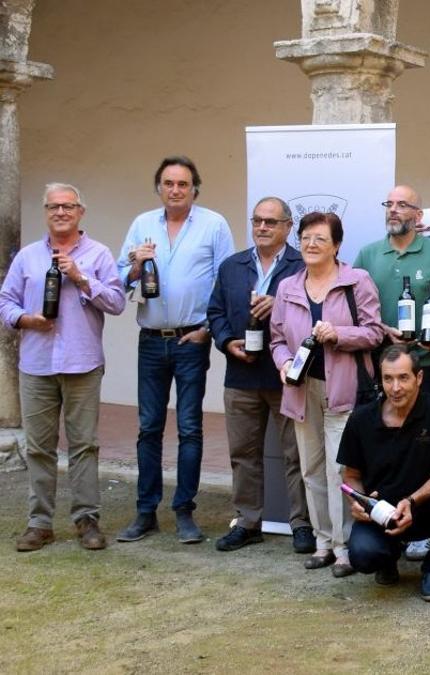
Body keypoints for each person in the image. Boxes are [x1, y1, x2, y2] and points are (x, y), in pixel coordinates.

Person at [115, 156, 235, 544]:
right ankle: (145, 512)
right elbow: (119, 278)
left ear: (194, 189)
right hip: (151, 340)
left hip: (190, 340)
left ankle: (184, 511)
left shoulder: (214, 224)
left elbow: (227, 282)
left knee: (189, 428)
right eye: (168, 183)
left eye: (183, 184)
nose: (175, 190)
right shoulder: (141, 224)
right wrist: (136, 266)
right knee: (149, 427)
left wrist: (207, 331)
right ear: (159, 188)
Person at [2, 183, 125, 551]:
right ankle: (39, 524)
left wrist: (81, 278)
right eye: (53, 206)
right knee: (39, 448)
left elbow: (117, 302)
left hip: (82, 364)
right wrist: (26, 319)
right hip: (36, 364)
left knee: (84, 446)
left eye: (68, 206)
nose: (60, 212)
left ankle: (87, 520)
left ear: (80, 212)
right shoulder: (27, 257)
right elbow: (6, 301)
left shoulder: (98, 254)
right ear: (46, 212)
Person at [271, 211, 384, 577]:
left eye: (320, 238)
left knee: (340, 471)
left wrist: (339, 334)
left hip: (344, 389)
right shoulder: (287, 287)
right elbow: (276, 339)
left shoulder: (356, 281)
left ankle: (344, 547)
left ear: (336, 245)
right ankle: (322, 543)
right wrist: (283, 363)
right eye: (305, 237)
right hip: (302, 390)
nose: (311, 244)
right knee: (311, 469)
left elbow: (375, 332)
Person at [207, 196, 313, 554]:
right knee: (243, 453)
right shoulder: (232, 266)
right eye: (257, 221)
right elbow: (215, 312)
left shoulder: (303, 265)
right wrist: (226, 342)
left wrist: (279, 304)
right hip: (241, 374)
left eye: (271, 222)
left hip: (287, 375)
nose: (263, 227)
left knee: (296, 454)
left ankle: (302, 524)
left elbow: (315, 311)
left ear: (288, 227)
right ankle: (248, 522)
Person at [353, 184, 430, 563]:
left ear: (418, 215)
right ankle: (384, 523)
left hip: (426, 366)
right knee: (385, 450)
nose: (393, 210)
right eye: (389, 204)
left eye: (402, 205)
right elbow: (356, 308)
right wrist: (382, 329)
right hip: (380, 368)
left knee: (427, 450)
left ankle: (423, 529)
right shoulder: (368, 254)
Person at [338, 345, 430, 601]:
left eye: (403, 378)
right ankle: (386, 559)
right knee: (363, 556)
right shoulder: (361, 418)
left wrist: (411, 501)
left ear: (418, 377)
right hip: (382, 514)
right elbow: (351, 475)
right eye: (388, 379)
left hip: (425, 508)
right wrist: (357, 501)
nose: (395, 387)